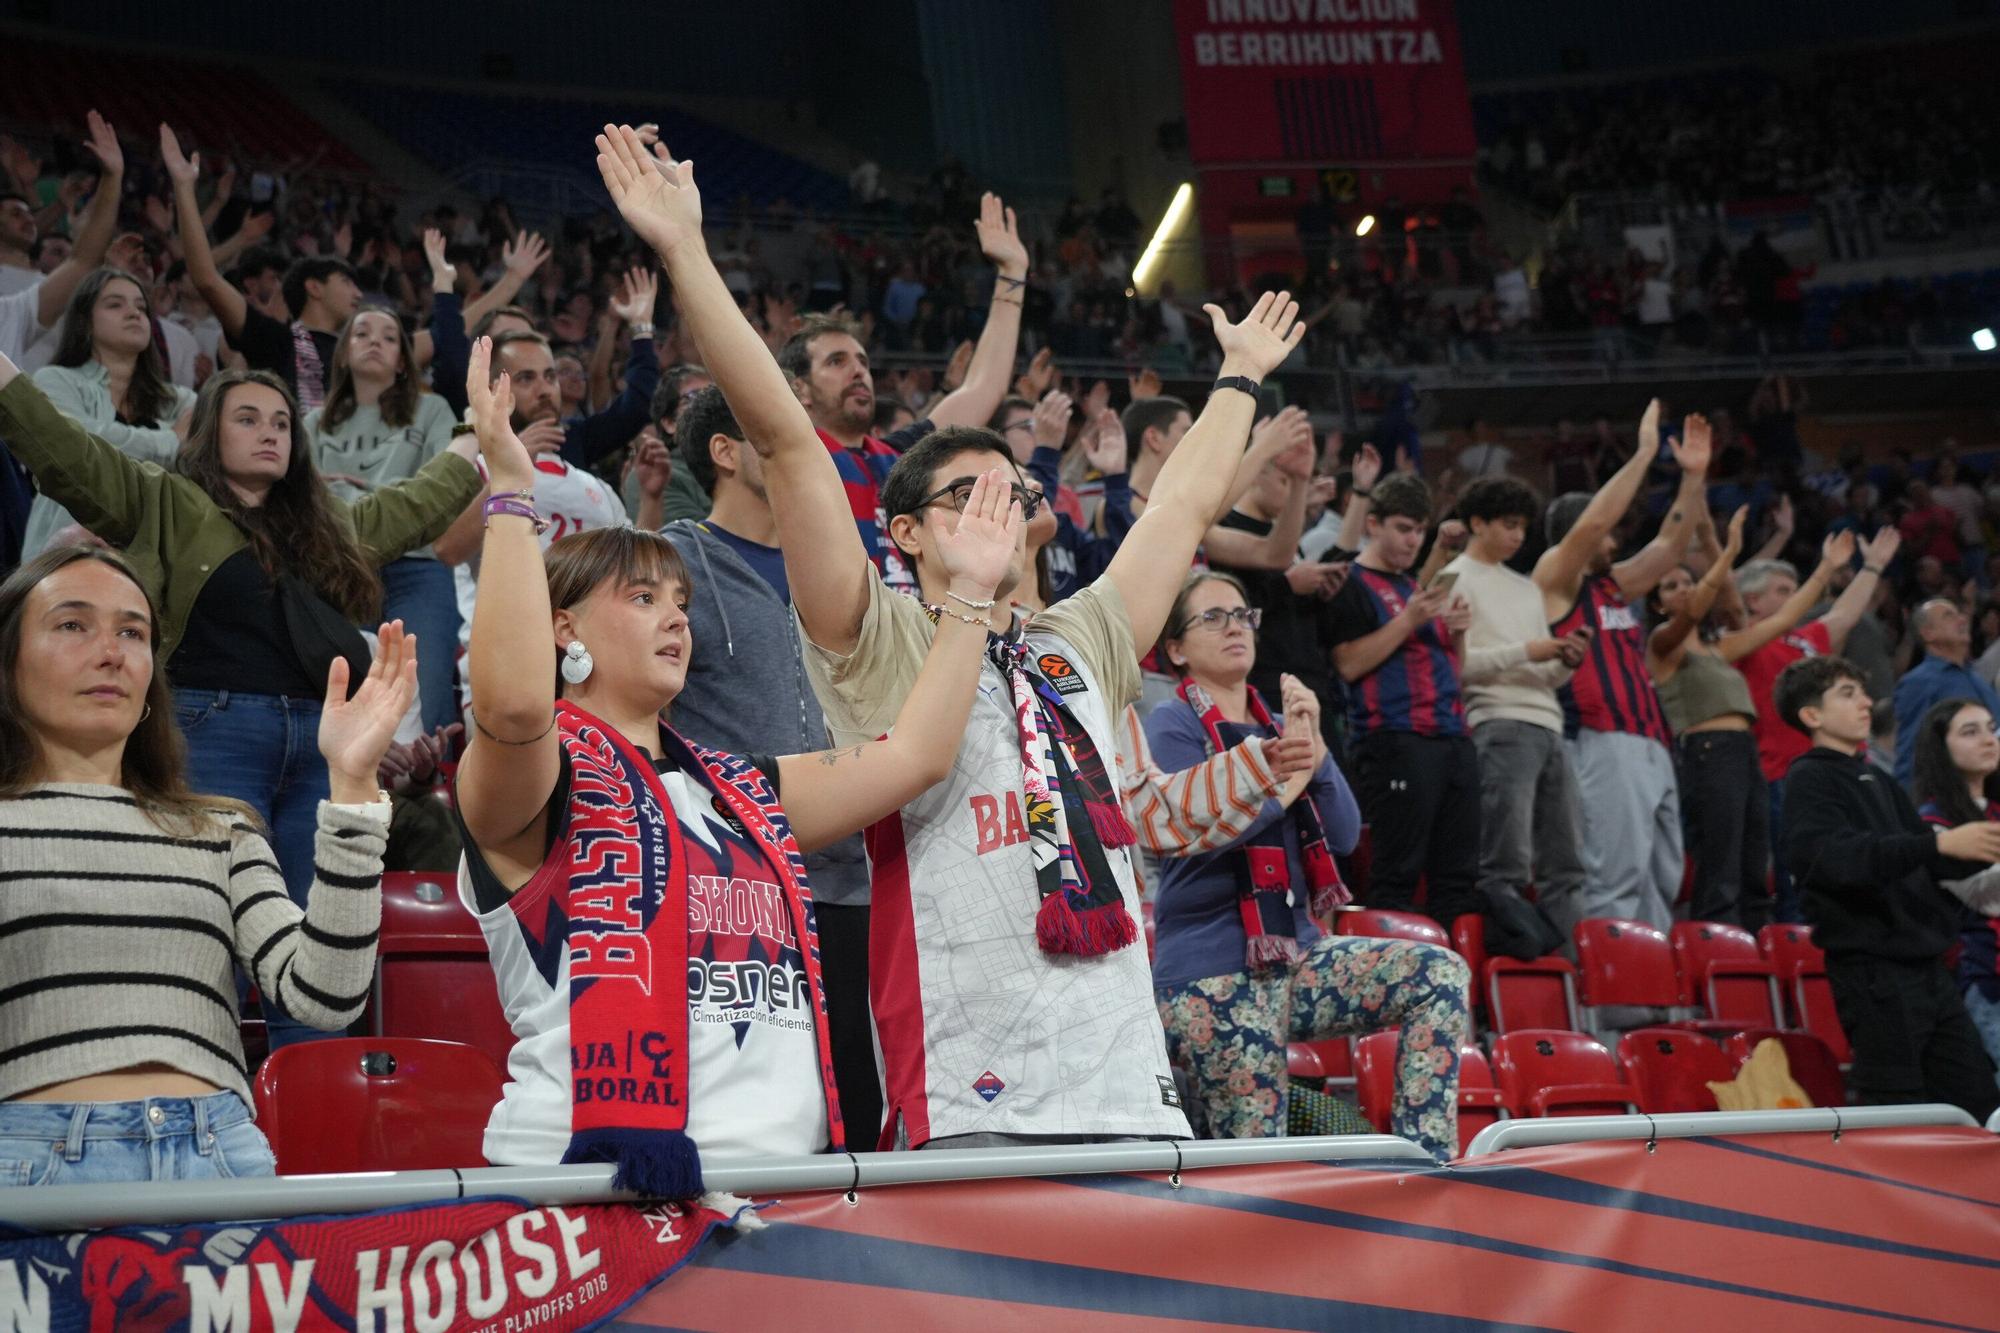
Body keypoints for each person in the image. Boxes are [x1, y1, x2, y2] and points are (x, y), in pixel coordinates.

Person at [593, 122, 1301, 1147]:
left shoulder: (1083, 633)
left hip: (1119, 1065)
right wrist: (687, 254)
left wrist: (1236, 377)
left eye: (1011, 492)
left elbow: (1181, 511)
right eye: (965, 494)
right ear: (907, 530)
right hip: (964, 1072)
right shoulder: (873, 632)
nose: (996, 509)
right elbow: (790, 446)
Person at [451, 336, 1018, 1187]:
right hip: (585, 1202)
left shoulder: (740, 787)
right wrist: (509, 496)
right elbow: (513, 707)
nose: (675, 618)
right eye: (642, 598)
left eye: (680, 600)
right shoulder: (538, 782)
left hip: (781, 1196)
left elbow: (919, 756)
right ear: (562, 628)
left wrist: (970, 594)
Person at [0, 351, 484, 1047]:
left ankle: (312, 1129)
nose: (270, 432)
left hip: (321, 745)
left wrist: (477, 438)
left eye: (283, 421)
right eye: (248, 418)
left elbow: (414, 506)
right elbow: (65, 452)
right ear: (209, 434)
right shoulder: (164, 499)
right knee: (203, 934)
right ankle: (199, 1097)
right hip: (208, 730)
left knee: (315, 942)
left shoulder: (325, 527)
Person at [0, 545, 413, 1183]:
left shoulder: (220, 830)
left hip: (217, 1151)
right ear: (9, 664)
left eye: (132, 632)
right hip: (32, 1162)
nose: (111, 652)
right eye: (72, 624)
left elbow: (325, 995)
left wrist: (352, 783)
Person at [1145, 572, 1469, 1162]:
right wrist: (1287, 783)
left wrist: (1314, 747)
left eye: (1243, 614)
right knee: (1261, 1162)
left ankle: (1428, 1163)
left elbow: (1343, 836)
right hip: (1209, 973)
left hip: (1295, 958)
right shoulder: (1172, 725)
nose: (1235, 626)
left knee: (1439, 975)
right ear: (1175, 650)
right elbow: (1202, 835)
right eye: (1212, 617)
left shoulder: (1283, 729)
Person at [659, 383, 880, 1142]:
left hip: (854, 875)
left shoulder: (845, 564)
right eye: (770, 429)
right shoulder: (674, 565)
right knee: (754, 1114)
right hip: (738, 887)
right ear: (724, 452)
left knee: (858, 1108)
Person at [1775, 657, 2000, 1121]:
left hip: (1928, 971)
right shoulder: (1809, 778)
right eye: (1847, 693)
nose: (1865, 702)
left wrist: (1950, 853)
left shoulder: (1877, 778)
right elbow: (1835, 859)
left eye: (1862, 690)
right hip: (1874, 973)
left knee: (1978, 1103)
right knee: (1897, 1111)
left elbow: (1915, 861)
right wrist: (1939, 844)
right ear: (1811, 716)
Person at [776, 193, 1027, 595]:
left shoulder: (895, 458)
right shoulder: (786, 458)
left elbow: (984, 388)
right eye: (836, 362)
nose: (858, 370)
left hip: (916, 636)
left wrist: (1012, 275)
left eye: (861, 360)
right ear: (798, 389)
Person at [1539, 402, 1707, 932]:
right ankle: (1610, 1009)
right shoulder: (1554, 580)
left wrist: (1694, 477)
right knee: (1615, 874)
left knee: (1663, 876)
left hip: (1653, 739)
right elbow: (1593, 523)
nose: (1614, 539)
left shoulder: (1613, 585)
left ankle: (1655, 1002)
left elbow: (1671, 544)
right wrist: (1642, 455)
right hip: (1602, 740)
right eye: (1608, 534)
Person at [1650, 519, 1854, 927]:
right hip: (1707, 754)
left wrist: (1825, 569)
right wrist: (1724, 555)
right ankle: (1716, 943)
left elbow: (1781, 622)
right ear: (1656, 604)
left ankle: (1757, 948)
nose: (1684, 590)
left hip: (1743, 752)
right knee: (1721, 857)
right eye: (1670, 586)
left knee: (1753, 859)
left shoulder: (1717, 648)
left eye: (1686, 582)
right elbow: (1694, 610)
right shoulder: (1661, 644)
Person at [1441, 477, 1591, 954]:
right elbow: (1458, 669)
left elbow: (1545, 678)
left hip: (1548, 723)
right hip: (1498, 722)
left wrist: (1563, 662)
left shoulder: (1526, 588)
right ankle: (1510, 981)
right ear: (1477, 523)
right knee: (1506, 862)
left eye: (1523, 527)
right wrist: (1529, 650)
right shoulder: (1453, 579)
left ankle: (1570, 976)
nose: (1518, 536)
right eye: (1508, 525)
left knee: (1566, 864)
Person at [1325, 471, 1481, 930]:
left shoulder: (1415, 587)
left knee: (1458, 880)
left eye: (1419, 530)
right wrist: (1409, 620)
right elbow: (1349, 664)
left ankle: (1462, 994)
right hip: (1395, 738)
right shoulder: (1350, 583)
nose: (1413, 540)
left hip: (1454, 737)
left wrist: (1459, 635)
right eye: (1402, 528)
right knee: (1397, 874)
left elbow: (1457, 670)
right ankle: (1391, 991)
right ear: (1372, 524)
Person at [307, 306, 461, 731]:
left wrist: (338, 487)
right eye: (362, 333)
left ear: (402, 362)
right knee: (343, 700)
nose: (375, 341)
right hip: (338, 566)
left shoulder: (433, 411)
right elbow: (293, 501)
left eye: (390, 337)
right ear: (341, 354)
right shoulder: (310, 424)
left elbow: (445, 487)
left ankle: (428, 794)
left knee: (423, 700)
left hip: (418, 565)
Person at [1733, 526, 1898, 922]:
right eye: (1783, 590)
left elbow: (1844, 615)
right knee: (1804, 883)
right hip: (1787, 776)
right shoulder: (1745, 639)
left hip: (1850, 767)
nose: (1797, 599)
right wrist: (1824, 569)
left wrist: (1872, 567)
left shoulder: (1804, 639)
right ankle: (1803, 965)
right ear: (1752, 601)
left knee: (1869, 874)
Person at [162, 126, 357, 410]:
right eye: (346, 282)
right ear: (314, 288)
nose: (359, 293)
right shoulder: (277, 340)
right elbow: (205, 278)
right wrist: (184, 188)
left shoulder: (360, 352)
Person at [23, 267, 197, 557]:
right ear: (85, 321)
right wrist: (170, 440)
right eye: (115, 304)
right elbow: (78, 449)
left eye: (141, 307)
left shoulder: (181, 399)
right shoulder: (54, 380)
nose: (134, 313)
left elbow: (198, 455)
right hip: (63, 555)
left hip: (154, 558)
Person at [1910, 698, 2000, 1078]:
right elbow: (1983, 897)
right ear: (1940, 748)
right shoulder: (1932, 823)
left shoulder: (1994, 808)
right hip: (1983, 977)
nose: (1988, 739)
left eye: (1991, 728)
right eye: (1970, 731)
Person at [1894, 598, 2000, 789]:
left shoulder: (1976, 677)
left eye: (1960, 614)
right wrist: (1911, 813)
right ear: (1928, 633)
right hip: (1952, 797)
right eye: (1949, 616)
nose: (1962, 620)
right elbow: (1911, 752)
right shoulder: (1918, 682)